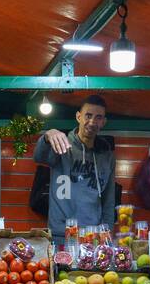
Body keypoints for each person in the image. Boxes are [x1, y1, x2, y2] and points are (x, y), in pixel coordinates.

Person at [34, 94, 116, 238]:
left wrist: (107, 232)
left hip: (93, 236)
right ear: (78, 117)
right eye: (88, 115)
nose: (92, 122)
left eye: (98, 117)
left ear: (103, 122)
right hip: (61, 234)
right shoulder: (61, 144)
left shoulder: (107, 156)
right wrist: (48, 135)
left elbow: (109, 200)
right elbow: (39, 157)